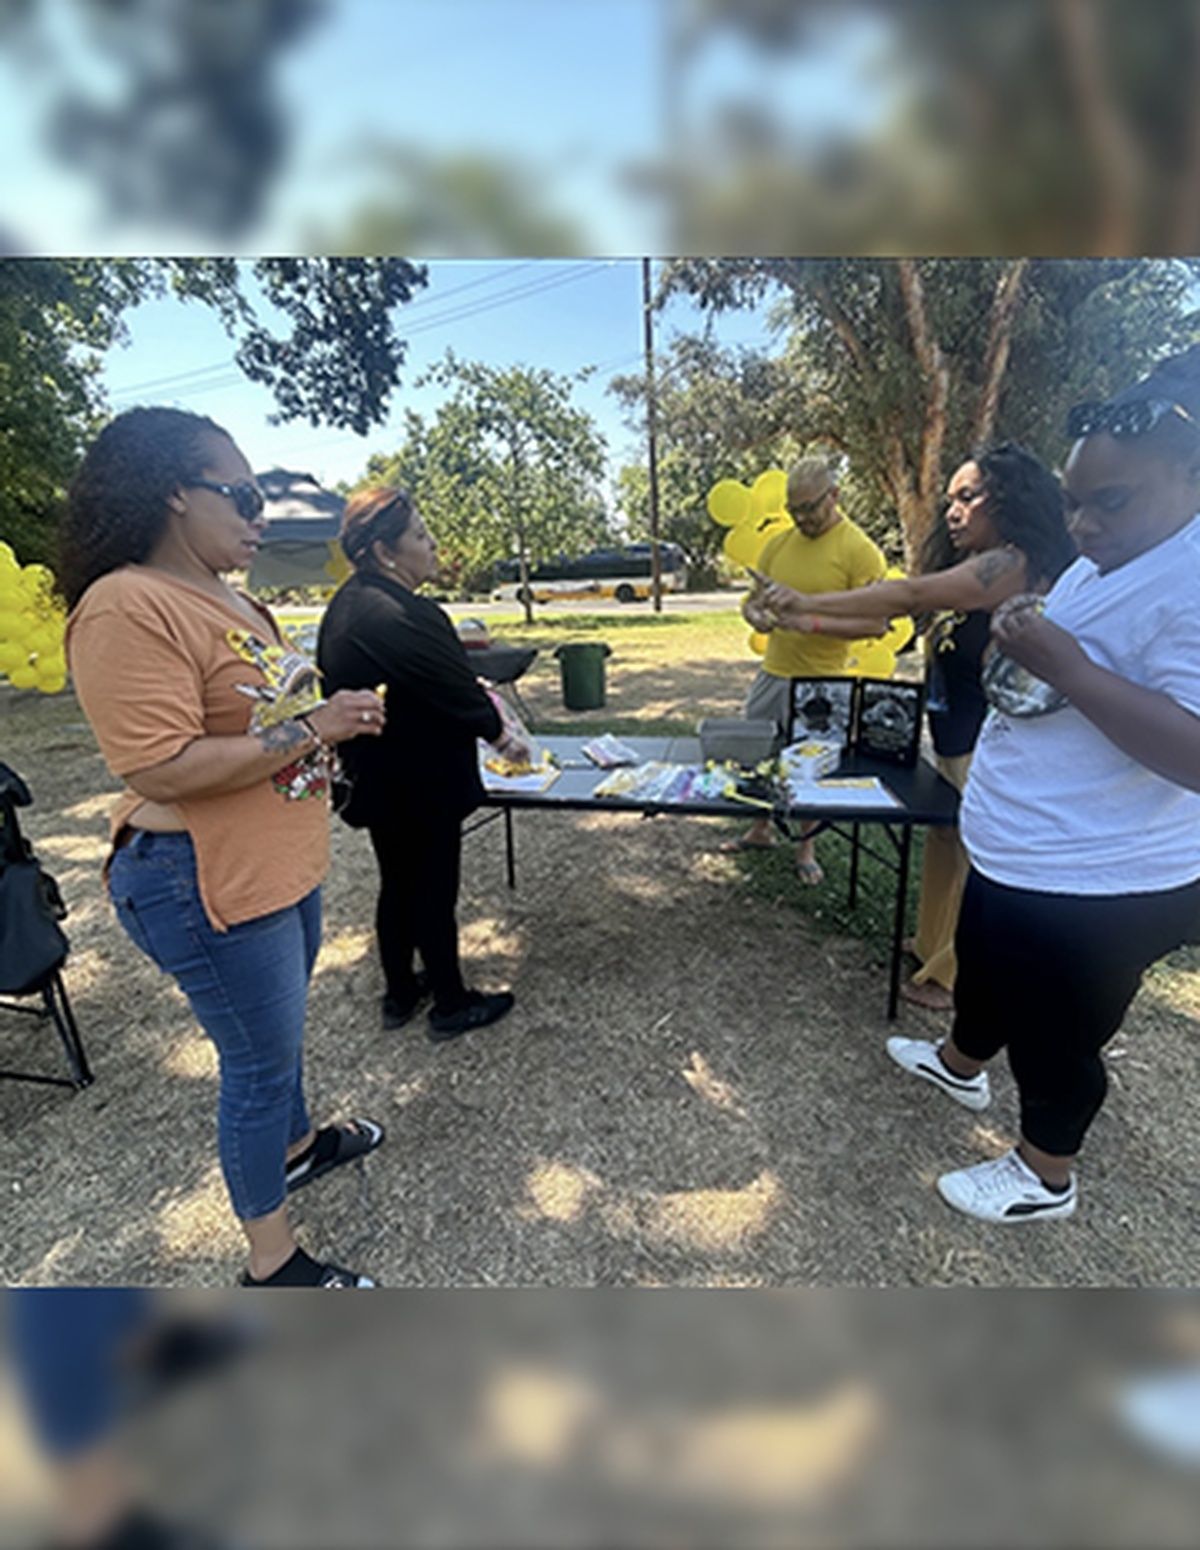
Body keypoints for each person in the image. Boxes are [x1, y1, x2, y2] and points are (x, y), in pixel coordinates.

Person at [61, 407, 387, 1289]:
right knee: (254, 1062)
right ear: (173, 493)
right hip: (196, 880)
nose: (259, 514)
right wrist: (315, 726)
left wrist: (331, 722)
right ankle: (271, 1264)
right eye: (241, 493)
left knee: (277, 1045)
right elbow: (162, 768)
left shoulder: (232, 596)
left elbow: (267, 722)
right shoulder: (125, 604)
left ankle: (300, 1145)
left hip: (275, 867)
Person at [883, 349, 1200, 1223]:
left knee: (1059, 1032)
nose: (1086, 524)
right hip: (1024, 847)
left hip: (1102, 875)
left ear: (1190, 475)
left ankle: (1044, 1172)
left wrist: (1063, 661)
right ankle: (959, 1063)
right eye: (1074, 502)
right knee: (984, 963)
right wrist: (1038, 634)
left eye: (1112, 500)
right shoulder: (1117, 557)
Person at [756, 443, 1076, 1009]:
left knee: (977, 861)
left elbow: (905, 595)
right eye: (950, 498)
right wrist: (799, 615)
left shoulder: (1012, 563)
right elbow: (891, 619)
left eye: (968, 497)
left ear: (1009, 498)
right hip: (956, 742)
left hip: (989, 748)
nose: (952, 511)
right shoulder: (976, 566)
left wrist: (804, 598)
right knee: (944, 843)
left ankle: (954, 977)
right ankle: (932, 945)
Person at [317, 486, 526, 1039]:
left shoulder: (346, 604)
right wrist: (505, 739)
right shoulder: (406, 611)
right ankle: (451, 1002)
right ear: (385, 551)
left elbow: (414, 682)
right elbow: (460, 697)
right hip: (421, 779)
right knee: (433, 887)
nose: (432, 546)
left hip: (377, 776)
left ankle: (401, 991)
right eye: (420, 536)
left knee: (397, 883)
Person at [729, 457, 888, 882]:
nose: (801, 518)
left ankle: (806, 849)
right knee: (760, 757)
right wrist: (754, 616)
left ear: (834, 496)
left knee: (806, 766)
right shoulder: (778, 544)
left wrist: (812, 622)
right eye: (793, 509)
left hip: (824, 681)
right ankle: (761, 828)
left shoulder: (858, 549)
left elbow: (876, 622)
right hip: (773, 672)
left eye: (810, 507)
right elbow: (751, 600)